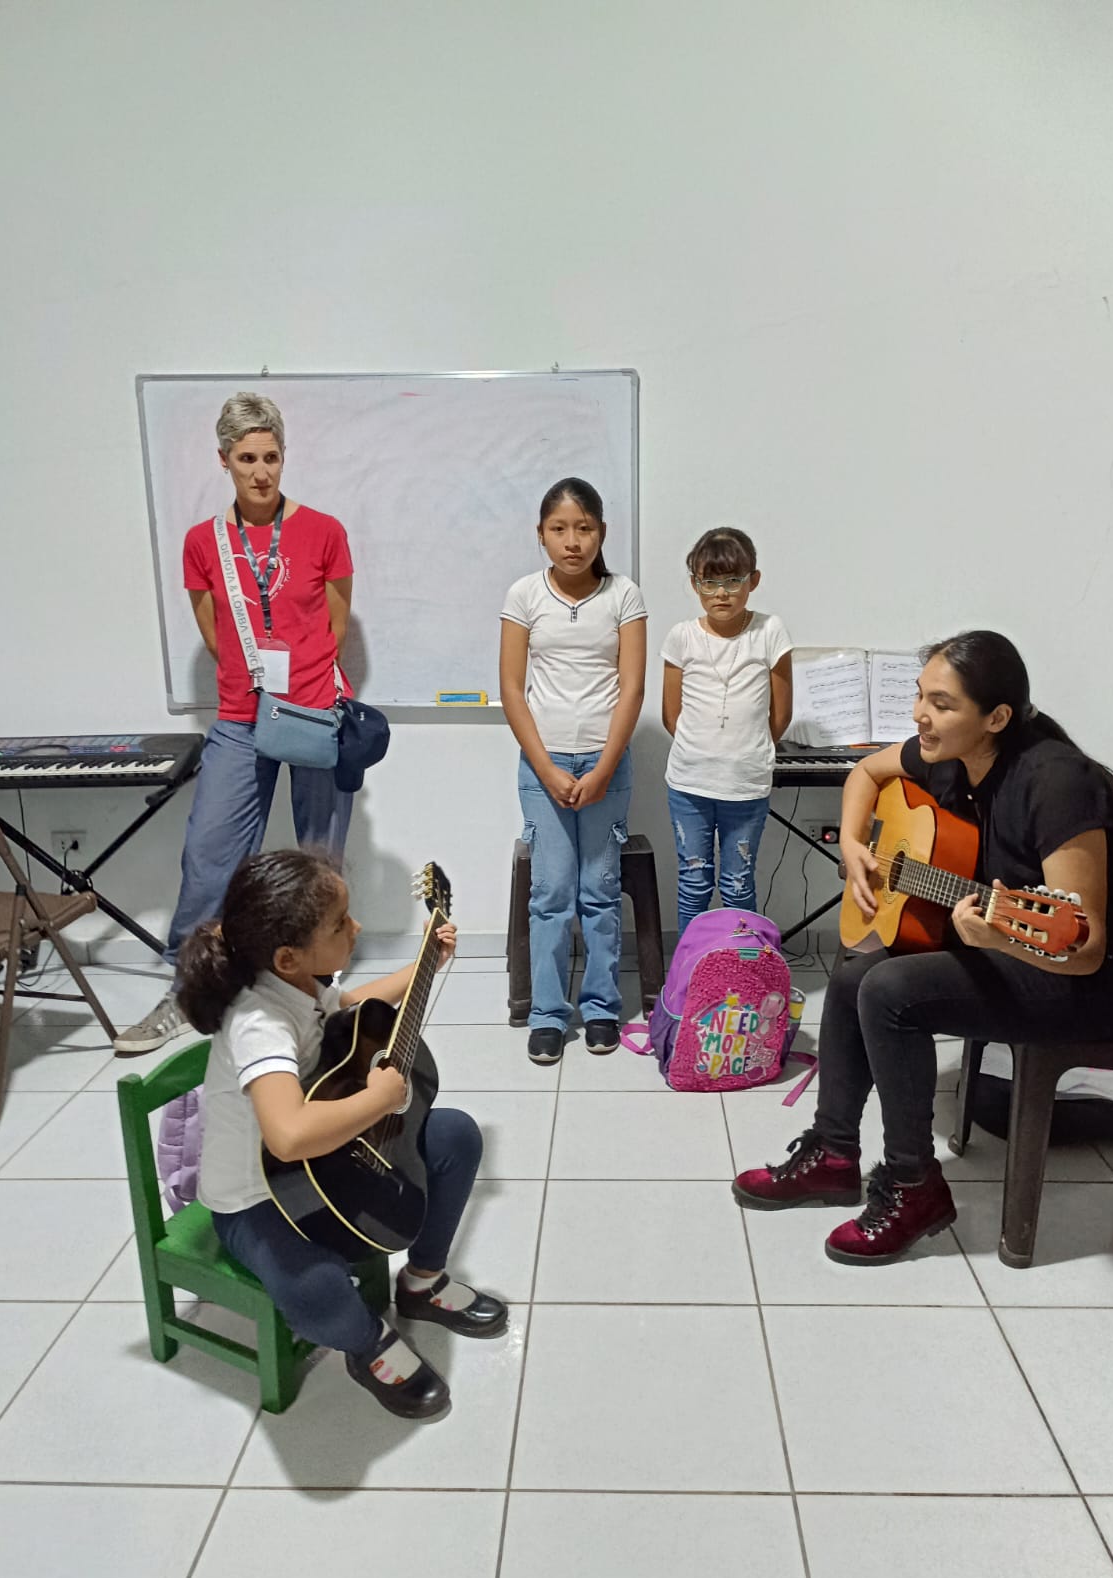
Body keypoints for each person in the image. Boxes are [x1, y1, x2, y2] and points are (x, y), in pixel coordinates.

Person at [732, 630, 1113, 1265]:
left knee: (889, 990)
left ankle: (913, 1186)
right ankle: (833, 1153)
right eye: (918, 696)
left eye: (941, 702)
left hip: (1090, 982)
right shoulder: (951, 756)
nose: (918, 715)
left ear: (996, 718)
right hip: (1011, 948)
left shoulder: (1055, 782)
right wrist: (853, 844)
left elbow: (1086, 946)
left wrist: (999, 936)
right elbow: (867, 771)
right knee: (854, 975)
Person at [177, 849, 506, 1420]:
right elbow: (288, 1137)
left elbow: (350, 1003)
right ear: (285, 956)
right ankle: (367, 1344)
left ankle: (421, 1284)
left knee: (453, 1135)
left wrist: (426, 962)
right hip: (255, 1200)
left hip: (321, 1171)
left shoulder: (301, 983)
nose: (356, 929)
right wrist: (377, 1098)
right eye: (340, 924)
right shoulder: (259, 1022)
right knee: (319, 1291)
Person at [118, 392, 355, 1055]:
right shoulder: (203, 543)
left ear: (285, 457)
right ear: (224, 460)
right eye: (247, 458)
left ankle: (318, 989)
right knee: (208, 855)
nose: (261, 471)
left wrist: (304, 676)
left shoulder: (325, 531)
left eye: (271, 456)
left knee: (320, 860)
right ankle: (187, 990)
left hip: (315, 712)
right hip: (241, 717)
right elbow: (214, 629)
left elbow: (335, 623)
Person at [499, 477, 648, 1064]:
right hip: (545, 767)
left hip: (607, 765)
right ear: (541, 535)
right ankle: (546, 1014)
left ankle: (602, 1009)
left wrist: (605, 768)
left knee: (600, 892)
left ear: (601, 533)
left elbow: (633, 688)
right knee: (551, 895)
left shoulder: (623, 596)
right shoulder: (524, 596)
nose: (572, 541)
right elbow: (512, 689)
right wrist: (547, 769)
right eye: (559, 529)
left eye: (583, 528)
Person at [661, 527, 793, 932]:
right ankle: (692, 974)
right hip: (689, 783)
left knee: (737, 884)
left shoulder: (769, 632)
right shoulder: (681, 637)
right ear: (695, 585)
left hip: (746, 785)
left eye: (733, 580)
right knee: (694, 882)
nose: (722, 592)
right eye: (710, 582)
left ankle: (743, 973)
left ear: (753, 580)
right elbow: (671, 715)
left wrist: (746, 751)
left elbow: (781, 714)